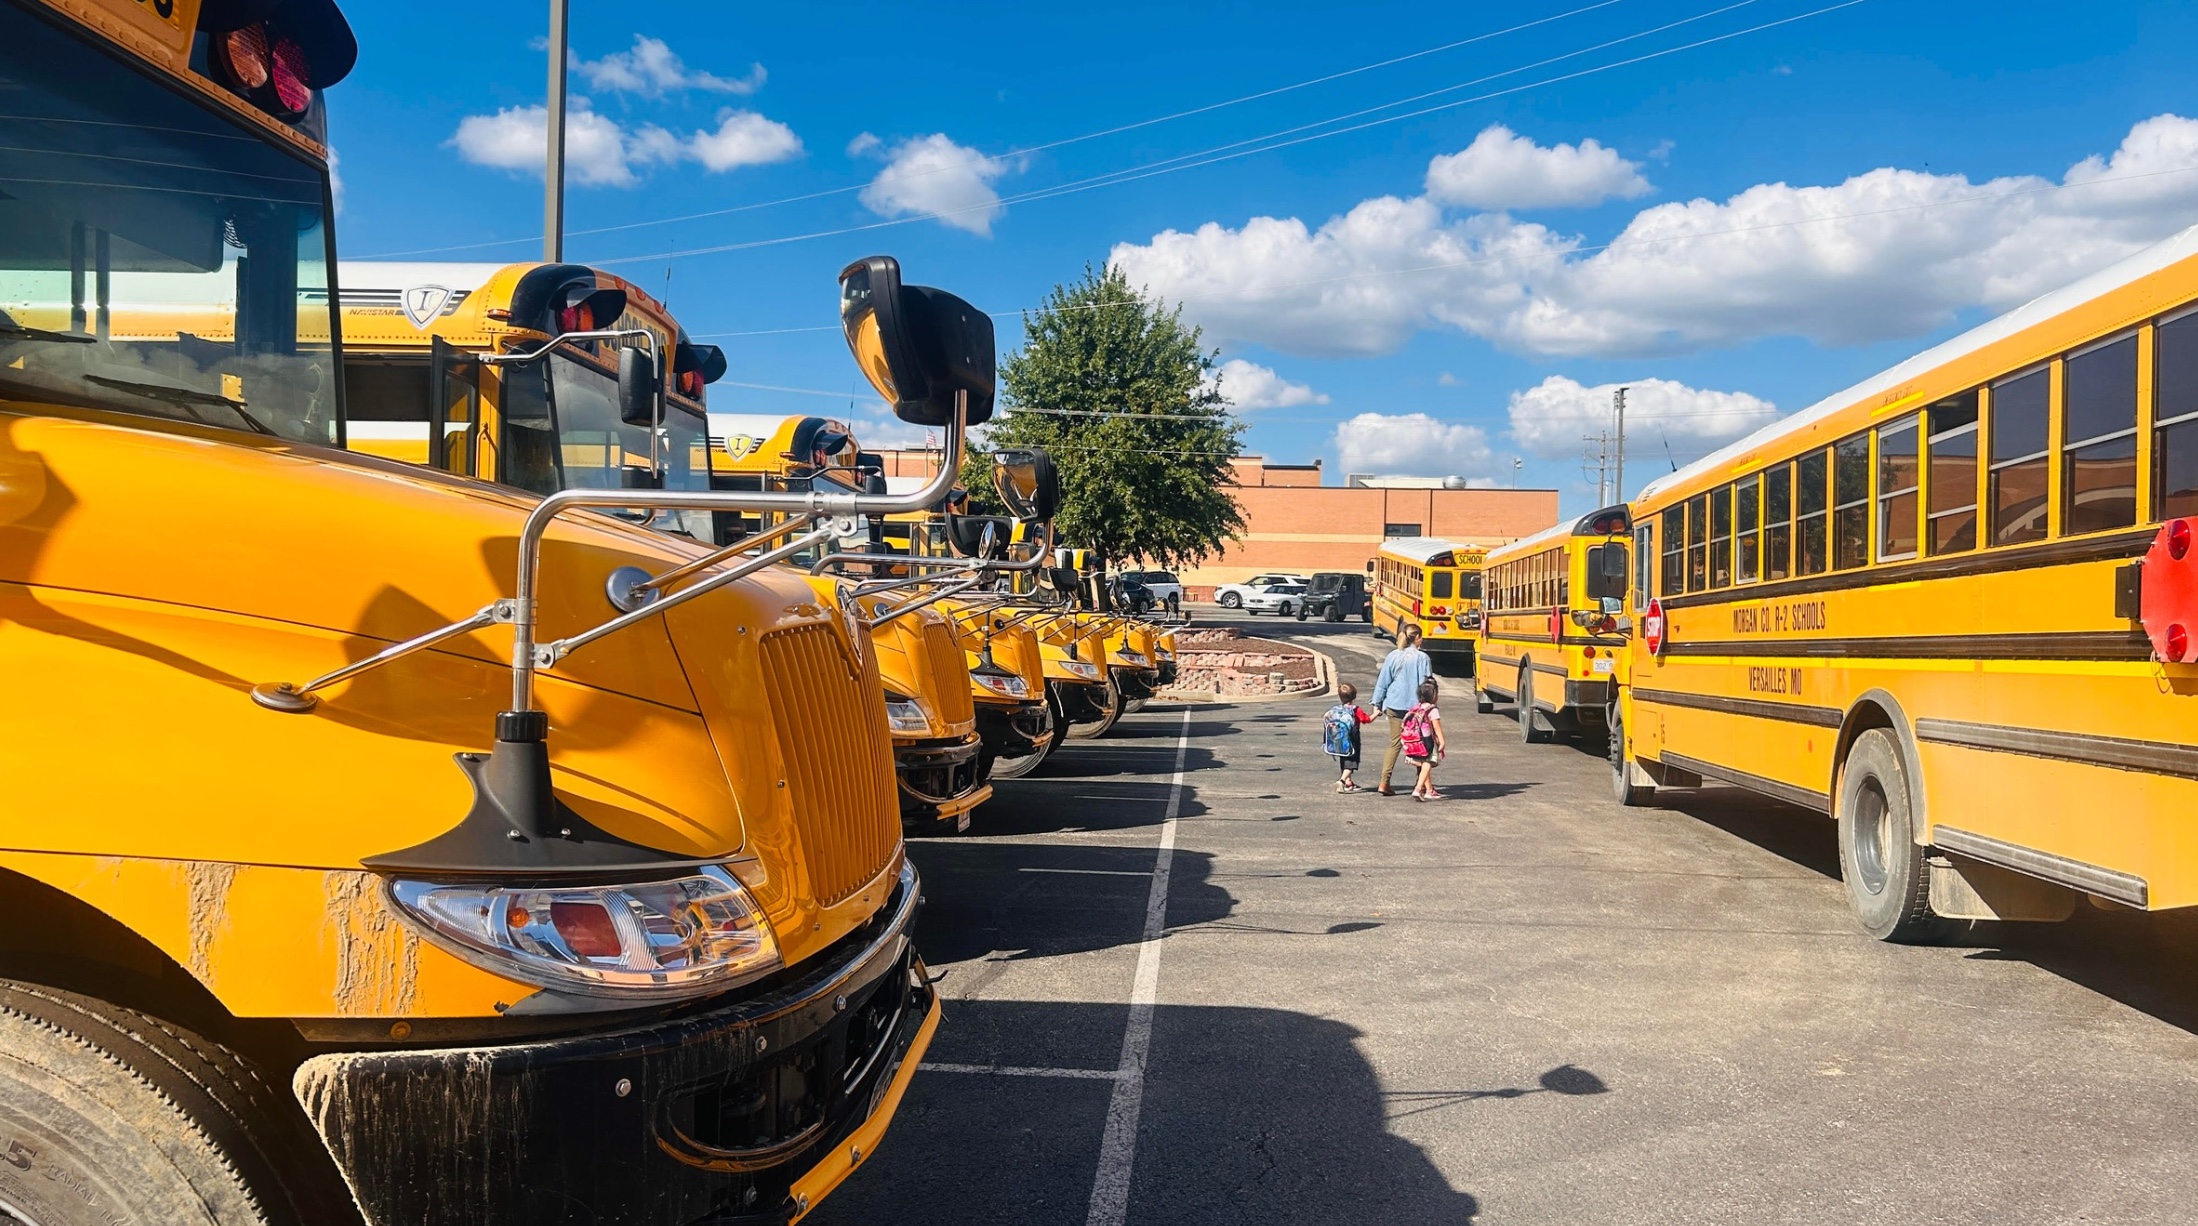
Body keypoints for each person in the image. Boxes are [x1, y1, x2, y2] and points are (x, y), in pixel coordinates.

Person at [1369, 623, 1434, 796]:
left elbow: (1383, 682)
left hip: (1394, 704)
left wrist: (1377, 704)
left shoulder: (1393, 655)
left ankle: (1384, 782)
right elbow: (1425, 685)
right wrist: (1428, 707)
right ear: (1418, 638)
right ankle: (1420, 785)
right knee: (1420, 745)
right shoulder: (1422, 658)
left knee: (1395, 743)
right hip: (1415, 708)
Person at [1322, 682, 1376, 793]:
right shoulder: (1355, 710)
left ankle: (1348, 783)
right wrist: (1376, 713)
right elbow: (1367, 719)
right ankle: (1341, 781)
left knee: (1344, 759)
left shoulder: (1337, 709)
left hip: (1340, 739)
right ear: (1354, 696)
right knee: (1351, 762)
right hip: (1352, 738)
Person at [1401, 678, 1447, 801]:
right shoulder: (1432, 710)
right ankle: (1418, 788)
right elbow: (1436, 727)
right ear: (1434, 696)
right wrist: (1442, 742)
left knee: (1424, 764)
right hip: (1427, 742)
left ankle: (1429, 790)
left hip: (1416, 741)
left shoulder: (1416, 708)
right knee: (1428, 763)